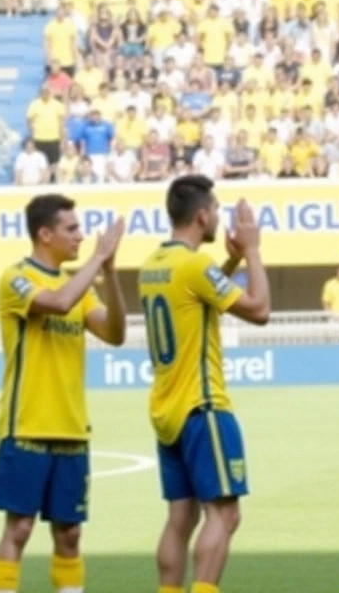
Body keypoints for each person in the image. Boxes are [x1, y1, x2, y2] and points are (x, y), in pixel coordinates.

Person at [0, 194, 128, 593]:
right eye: (72, 229)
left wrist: (111, 274)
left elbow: (115, 334)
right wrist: (96, 260)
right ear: (44, 234)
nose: (81, 236)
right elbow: (59, 303)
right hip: (27, 425)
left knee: (69, 535)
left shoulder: (80, 285)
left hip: (71, 427)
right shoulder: (16, 277)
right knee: (19, 528)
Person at [139, 176, 272, 593]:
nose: (217, 216)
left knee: (180, 519)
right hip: (203, 406)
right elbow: (260, 309)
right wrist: (251, 251)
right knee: (225, 515)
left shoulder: (154, 265)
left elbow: (198, 295)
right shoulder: (194, 266)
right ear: (202, 214)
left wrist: (229, 263)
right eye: (215, 209)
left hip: (167, 410)